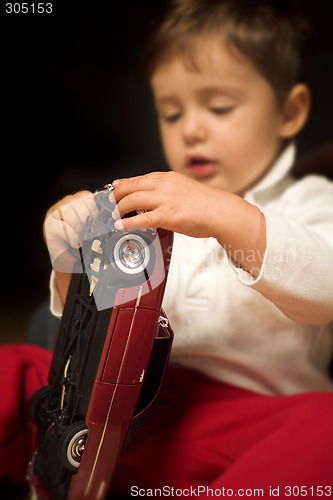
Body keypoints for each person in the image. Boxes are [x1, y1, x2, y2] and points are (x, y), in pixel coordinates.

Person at [36, 0, 333, 497]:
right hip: (126, 416)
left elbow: (324, 288)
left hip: (250, 425)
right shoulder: (154, 206)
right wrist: (71, 256)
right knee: (17, 365)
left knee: (326, 429)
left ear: (289, 112)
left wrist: (223, 215)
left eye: (218, 107)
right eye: (172, 113)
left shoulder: (312, 200)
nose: (191, 128)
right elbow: (94, 330)